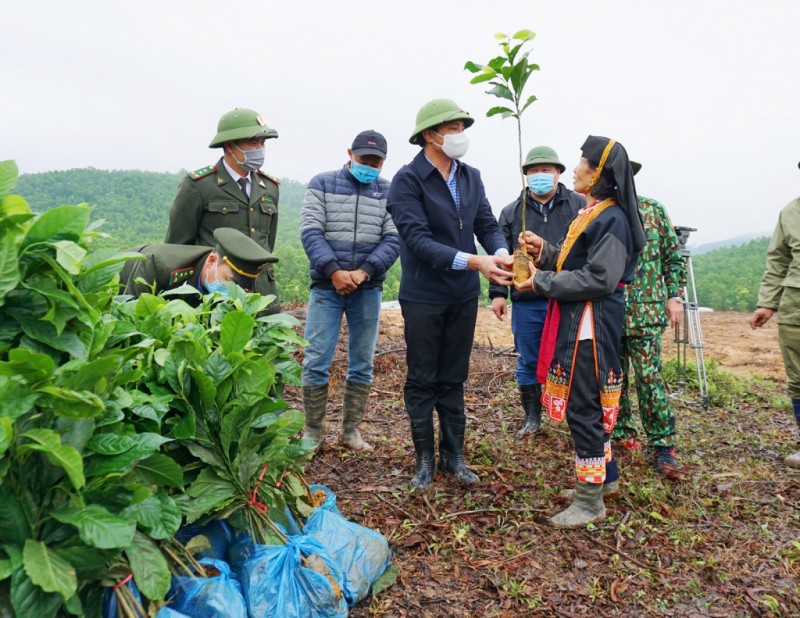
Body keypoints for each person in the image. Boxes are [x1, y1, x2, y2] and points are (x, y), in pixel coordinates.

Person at [515, 135, 646, 528]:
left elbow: (600, 278)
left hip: (591, 320)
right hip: (580, 316)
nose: (575, 169)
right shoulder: (594, 213)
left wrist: (540, 282)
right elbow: (578, 260)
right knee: (586, 402)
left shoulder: (613, 218)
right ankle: (604, 481)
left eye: (582, 162)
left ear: (599, 173)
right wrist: (546, 251)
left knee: (584, 407)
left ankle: (590, 502)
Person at [387, 98, 514, 489]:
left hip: (461, 295)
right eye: (453, 128)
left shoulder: (470, 176)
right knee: (423, 376)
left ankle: (453, 455)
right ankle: (424, 459)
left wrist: (500, 251)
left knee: (454, 376)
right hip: (424, 295)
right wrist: (476, 262)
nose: (460, 135)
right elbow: (419, 242)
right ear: (430, 134)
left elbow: (487, 223)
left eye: (463, 128)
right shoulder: (407, 181)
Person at [300, 130, 400, 451]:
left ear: (384, 161)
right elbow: (311, 231)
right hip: (326, 287)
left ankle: (350, 431)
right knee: (316, 359)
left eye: (376, 161)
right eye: (364, 159)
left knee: (362, 362)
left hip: (368, 289)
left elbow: (393, 239)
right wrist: (334, 271)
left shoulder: (390, 192)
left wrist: (363, 272)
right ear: (349, 153)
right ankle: (313, 432)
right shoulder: (322, 183)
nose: (369, 165)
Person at [490, 146, 584, 437]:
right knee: (528, 358)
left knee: (572, 357)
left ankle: (574, 415)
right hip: (527, 299)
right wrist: (497, 293)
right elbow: (501, 253)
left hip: (568, 295)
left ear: (558, 173)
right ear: (526, 175)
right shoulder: (511, 212)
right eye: (533, 170)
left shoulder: (578, 205)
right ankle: (533, 417)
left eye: (546, 170)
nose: (540, 175)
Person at [611, 161, 687, 479]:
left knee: (650, 380)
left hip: (646, 314)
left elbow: (672, 256)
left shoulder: (653, 210)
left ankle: (662, 448)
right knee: (614, 381)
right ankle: (622, 435)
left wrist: (674, 296)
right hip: (609, 313)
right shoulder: (598, 213)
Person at [165, 107, 281, 313]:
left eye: (263, 143)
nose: (260, 149)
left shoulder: (269, 187)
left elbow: (266, 243)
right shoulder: (199, 185)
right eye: (253, 142)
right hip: (215, 296)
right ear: (230, 145)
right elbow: (177, 248)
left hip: (262, 295)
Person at [750, 162, 800, 469]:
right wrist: (768, 303)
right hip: (795, 309)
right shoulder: (790, 213)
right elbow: (778, 260)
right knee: (798, 381)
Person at [120, 227, 277, 304]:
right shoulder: (158, 265)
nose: (235, 291)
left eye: (243, 287)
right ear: (211, 262)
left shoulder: (238, 291)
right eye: (230, 281)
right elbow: (132, 315)